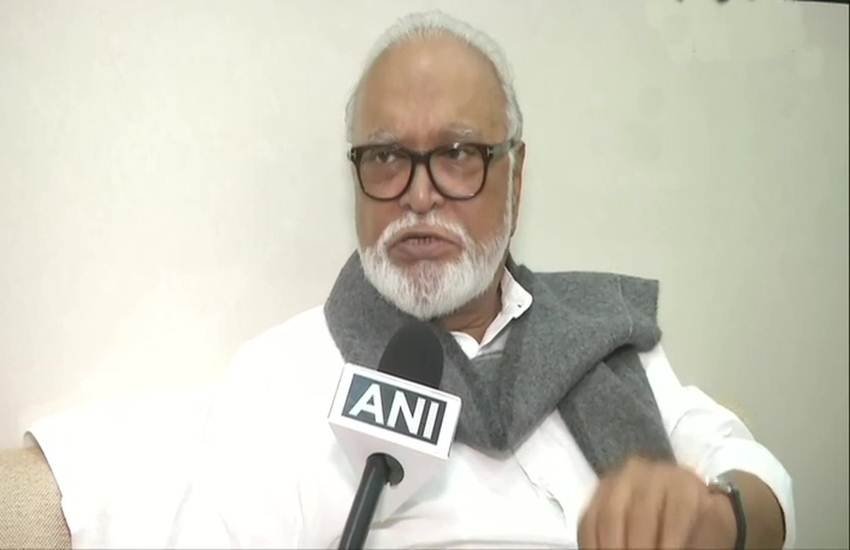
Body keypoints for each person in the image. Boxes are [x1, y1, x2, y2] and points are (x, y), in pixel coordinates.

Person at [19, 10, 794, 549]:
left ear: (516, 174)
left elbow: (752, 468)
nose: (420, 196)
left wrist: (720, 518)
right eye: (388, 157)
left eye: (457, 154)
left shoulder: (604, 338)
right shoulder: (290, 377)